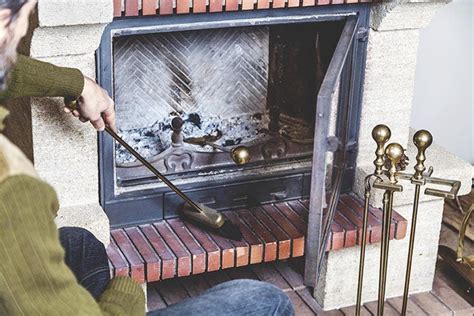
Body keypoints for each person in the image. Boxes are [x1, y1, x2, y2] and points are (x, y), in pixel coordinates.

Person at [0, 1, 295, 315]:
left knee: (78, 241)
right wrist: (127, 290)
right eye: (27, 15)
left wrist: (79, 84)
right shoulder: (13, 186)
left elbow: (7, 68)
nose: (23, 30)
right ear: (5, 20)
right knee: (266, 300)